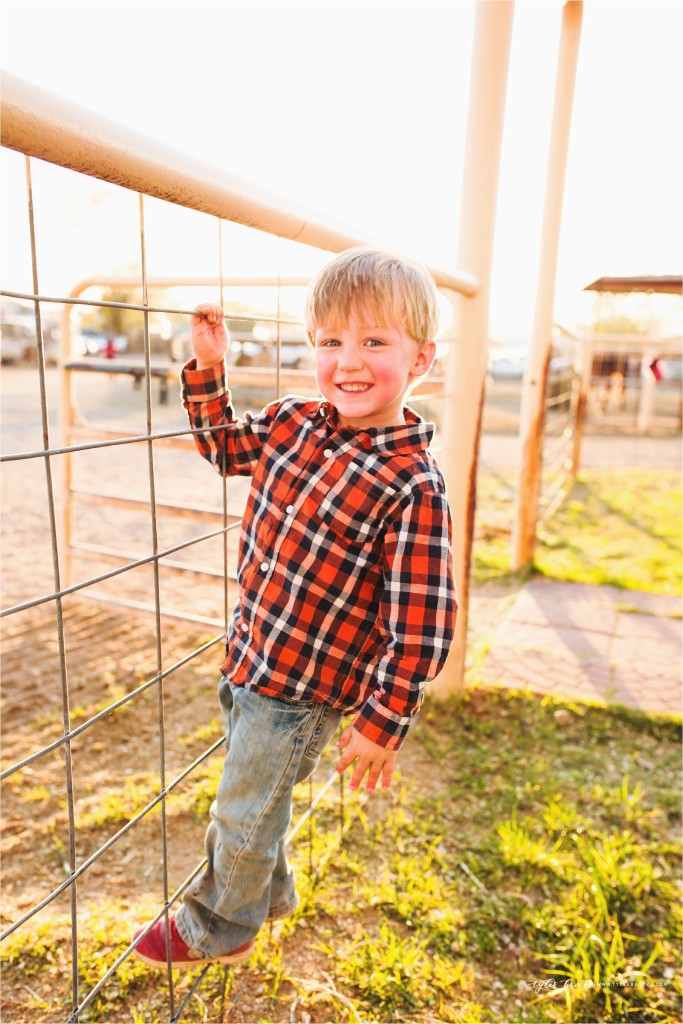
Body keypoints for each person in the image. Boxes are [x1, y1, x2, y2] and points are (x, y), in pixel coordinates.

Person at [133, 247, 458, 969]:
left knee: (242, 806)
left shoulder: (410, 483)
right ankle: (268, 890)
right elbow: (222, 448)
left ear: (421, 360)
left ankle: (221, 923)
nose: (348, 360)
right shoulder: (290, 424)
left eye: (374, 341)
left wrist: (383, 720)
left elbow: (422, 621)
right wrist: (210, 367)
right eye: (330, 341)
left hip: (306, 690)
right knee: (260, 793)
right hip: (250, 651)